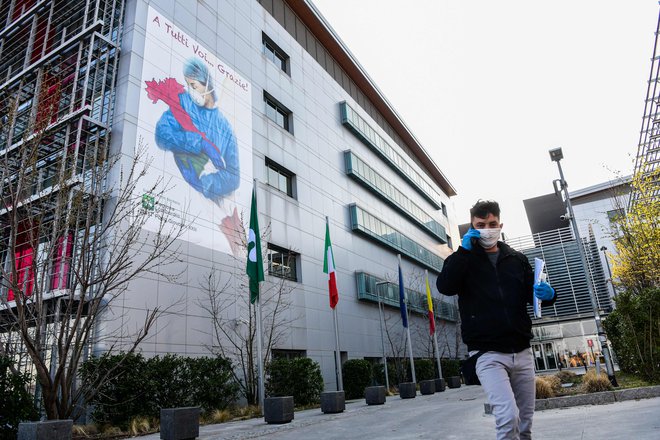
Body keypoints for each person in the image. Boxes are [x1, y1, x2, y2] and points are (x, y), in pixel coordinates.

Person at [436, 200, 556, 440]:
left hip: (521, 350)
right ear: (471, 227)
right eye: (480, 225)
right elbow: (445, 286)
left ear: (500, 225)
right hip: (487, 353)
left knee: (525, 423)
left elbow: (533, 294)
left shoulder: (517, 259)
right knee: (507, 416)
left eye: (492, 224)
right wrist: (463, 252)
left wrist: (550, 294)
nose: (487, 229)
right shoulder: (462, 260)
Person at [154, 58, 242, 254]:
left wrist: (207, 183)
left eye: (193, 85)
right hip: (178, 196)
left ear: (207, 84)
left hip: (212, 202)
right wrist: (198, 143)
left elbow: (234, 176)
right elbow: (162, 134)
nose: (190, 90)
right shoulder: (184, 103)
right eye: (188, 84)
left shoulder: (225, 127)